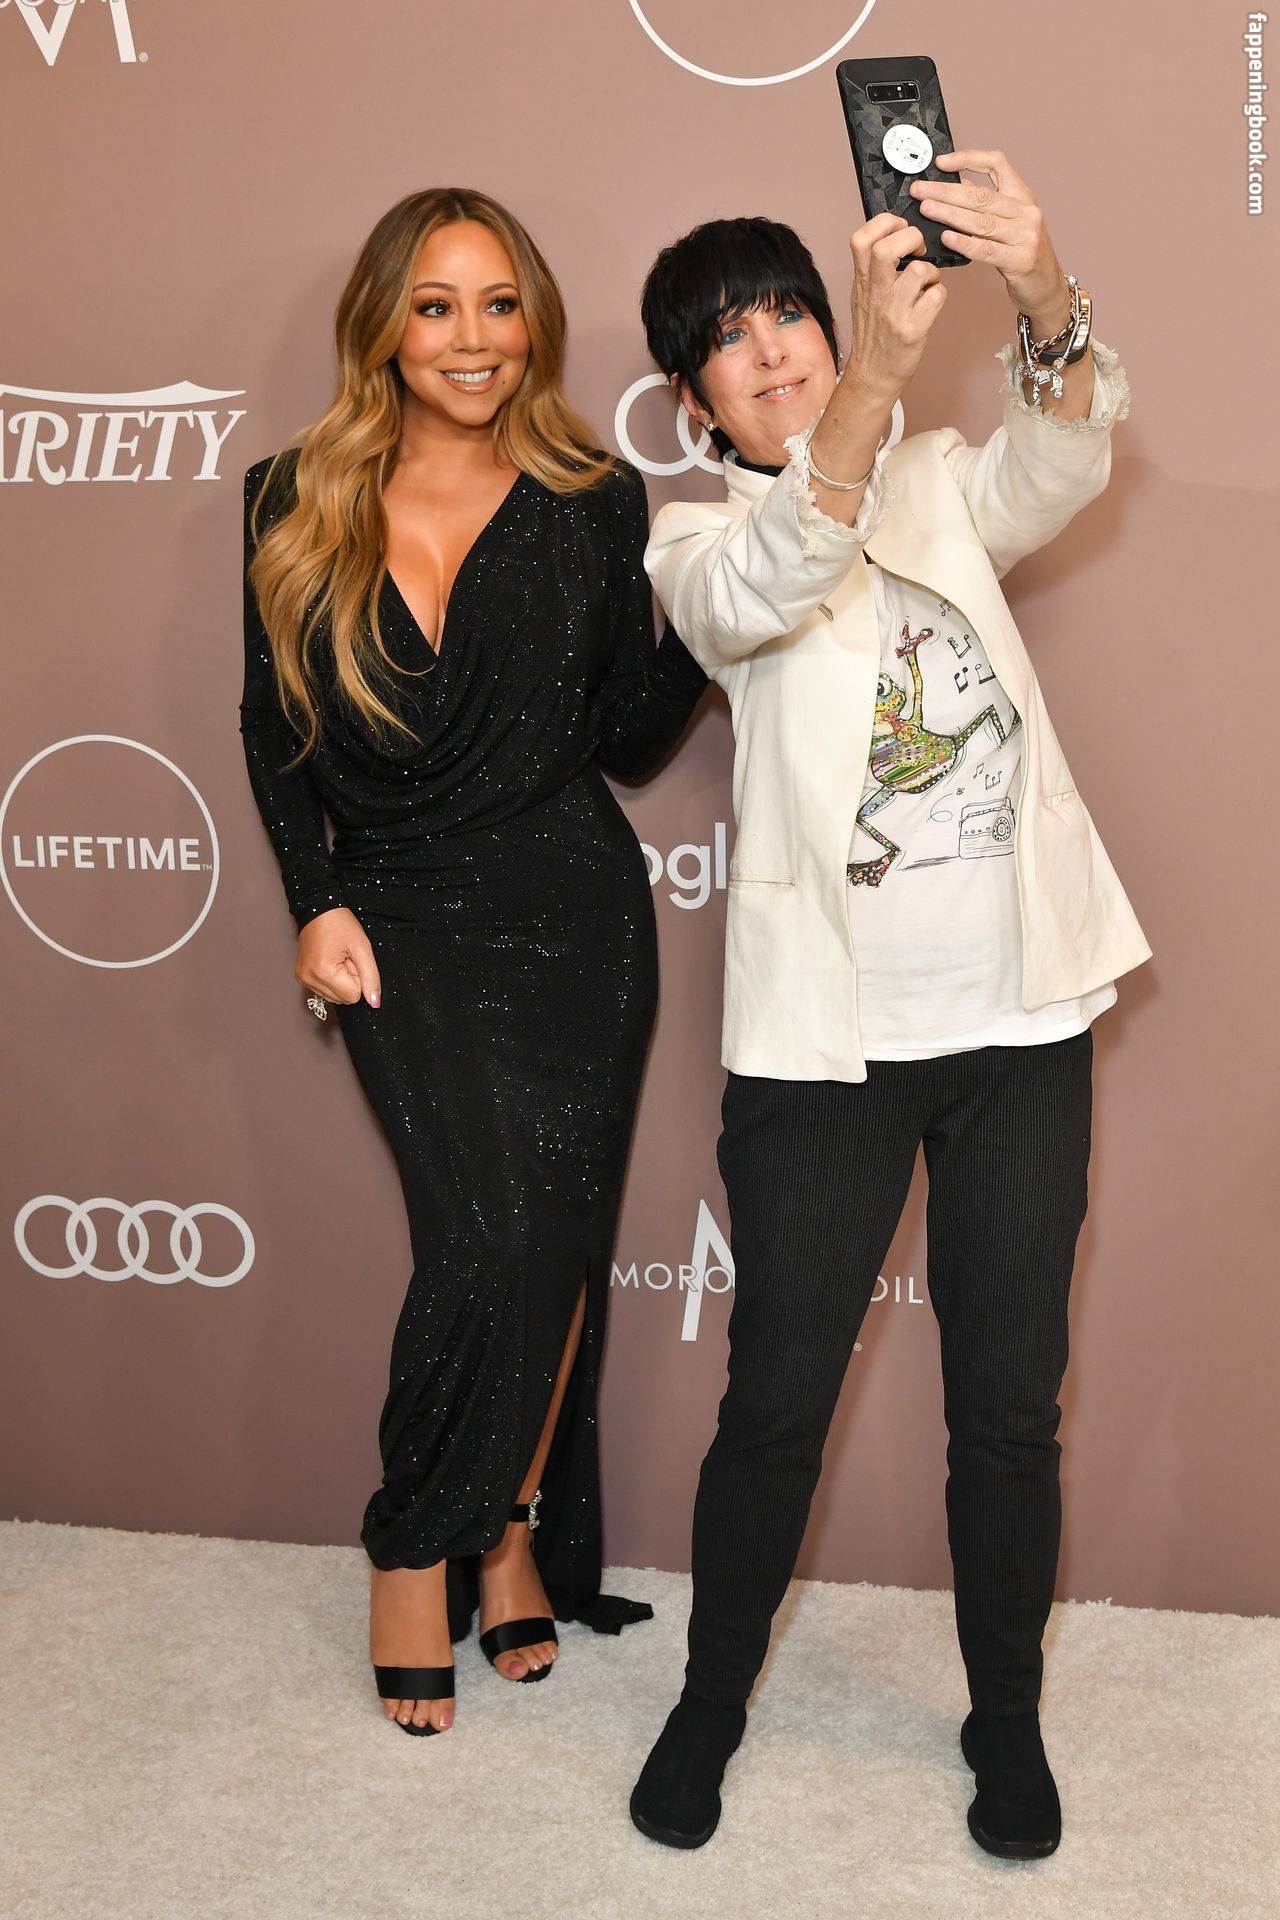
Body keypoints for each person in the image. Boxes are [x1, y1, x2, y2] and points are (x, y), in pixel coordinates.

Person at [628, 150, 1149, 1856]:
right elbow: (780, 579)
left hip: (1021, 1030)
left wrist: (1042, 283)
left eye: (788, 309)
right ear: (692, 400)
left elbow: (1065, 453)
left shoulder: (936, 480)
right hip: (824, 1059)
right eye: (730, 337)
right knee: (775, 1406)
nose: (772, 347)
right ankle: (712, 1705)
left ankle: (1006, 1721)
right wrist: (866, 377)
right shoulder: (692, 542)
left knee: (1008, 1411)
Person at [240, 187, 706, 1738]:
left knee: (550, 1246)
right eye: (436, 305)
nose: (472, 338)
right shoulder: (288, 495)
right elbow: (269, 719)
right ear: (382, 322)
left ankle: (503, 1538)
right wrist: (312, 898)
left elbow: (629, 736)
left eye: (500, 304)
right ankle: (412, 1545)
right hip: (399, 917)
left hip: (576, 915)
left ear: (536, 324)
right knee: (481, 1237)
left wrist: (723, 609)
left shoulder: (594, 498)